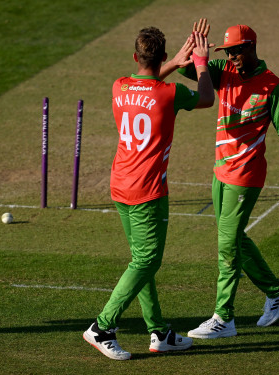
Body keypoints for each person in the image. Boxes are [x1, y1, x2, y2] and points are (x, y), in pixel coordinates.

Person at [162, 20, 279, 339]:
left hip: (247, 175)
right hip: (220, 171)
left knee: (227, 242)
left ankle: (224, 318)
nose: (232, 56)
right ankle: (277, 291)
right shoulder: (224, 71)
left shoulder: (272, 86)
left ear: (251, 47)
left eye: (236, 50)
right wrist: (194, 54)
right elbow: (190, 73)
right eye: (228, 51)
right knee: (232, 237)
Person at [82, 27, 214, 359]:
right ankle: (102, 327)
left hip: (119, 183)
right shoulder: (170, 94)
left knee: (143, 260)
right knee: (146, 259)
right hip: (147, 189)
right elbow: (207, 98)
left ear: (134, 58)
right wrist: (199, 63)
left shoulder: (119, 86)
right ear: (163, 57)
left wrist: (167, 66)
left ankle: (158, 332)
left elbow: (144, 85)